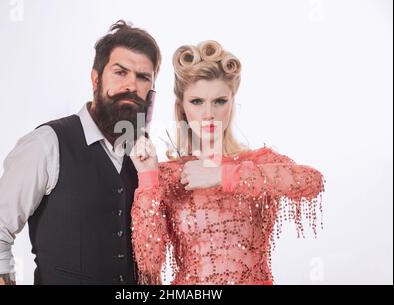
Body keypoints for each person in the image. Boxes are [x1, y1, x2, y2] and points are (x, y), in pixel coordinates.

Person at [0, 20, 161, 285]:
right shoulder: (47, 143)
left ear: (151, 92)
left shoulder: (144, 160)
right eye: (120, 72)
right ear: (96, 79)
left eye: (143, 77)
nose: (131, 85)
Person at [129, 40, 325, 285]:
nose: (208, 112)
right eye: (197, 101)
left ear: (232, 103)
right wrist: (148, 178)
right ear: (182, 107)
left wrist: (223, 175)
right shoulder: (170, 176)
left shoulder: (258, 161)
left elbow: (311, 181)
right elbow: (148, 263)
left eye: (219, 101)